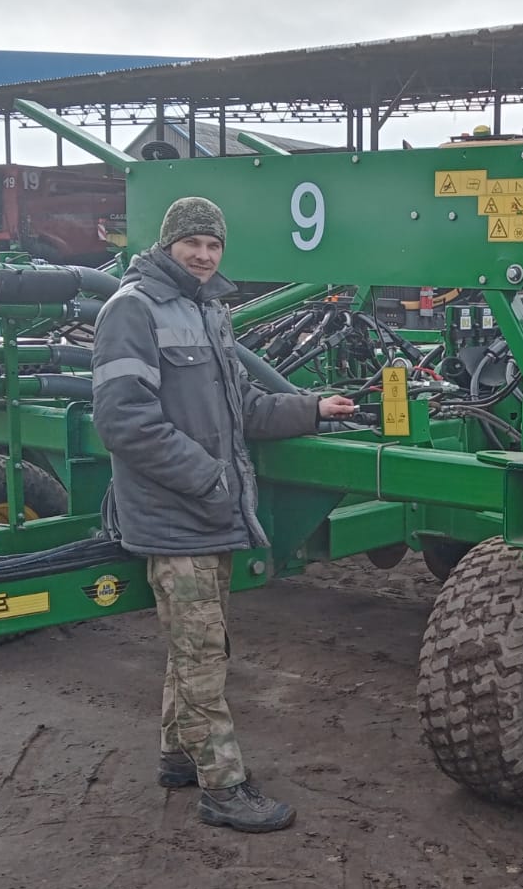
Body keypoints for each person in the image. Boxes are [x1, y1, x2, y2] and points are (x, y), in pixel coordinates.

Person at [91, 197, 355, 833]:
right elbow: (123, 420)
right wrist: (208, 477)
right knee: (203, 653)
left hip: (210, 515)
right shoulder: (132, 308)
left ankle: (179, 756)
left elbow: (246, 410)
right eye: (193, 244)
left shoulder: (208, 309)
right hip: (176, 515)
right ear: (168, 245)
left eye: (213, 245)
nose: (205, 255)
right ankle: (223, 787)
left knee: (198, 648)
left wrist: (315, 409)